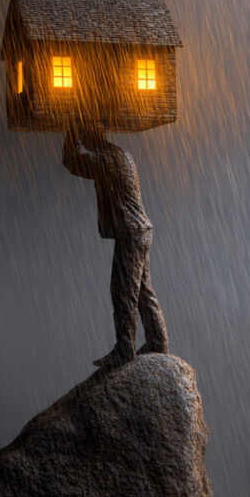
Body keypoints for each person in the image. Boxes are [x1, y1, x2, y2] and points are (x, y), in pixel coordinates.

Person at [62, 126, 168, 369]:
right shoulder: (121, 155)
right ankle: (158, 341)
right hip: (141, 230)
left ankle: (125, 350)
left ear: (91, 136)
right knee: (143, 290)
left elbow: (70, 162)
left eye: (86, 137)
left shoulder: (106, 160)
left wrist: (72, 131)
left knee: (123, 292)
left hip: (130, 233)